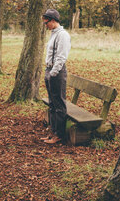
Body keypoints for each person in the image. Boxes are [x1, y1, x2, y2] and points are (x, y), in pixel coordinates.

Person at [42, 9, 71, 144]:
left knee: (59, 104)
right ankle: (53, 132)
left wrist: (53, 72)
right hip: (49, 70)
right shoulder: (53, 34)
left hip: (57, 72)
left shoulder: (63, 35)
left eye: (47, 22)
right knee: (52, 103)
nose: (45, 25)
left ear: (53, 21)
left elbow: (61, 56)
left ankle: (59, 135)